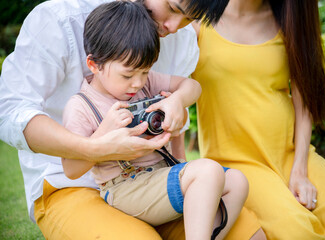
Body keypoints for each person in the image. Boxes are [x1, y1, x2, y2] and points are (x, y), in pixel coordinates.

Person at [0, 0, 266, 239]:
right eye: (173, 8)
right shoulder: (61, 19)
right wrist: (96, 148)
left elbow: (179, 107)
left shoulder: (178, 42)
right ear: (94, 65)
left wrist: (177, 109)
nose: (173, 27)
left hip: (159, 177)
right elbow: (10, 109)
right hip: (73, 184)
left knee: (253, 234)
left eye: (188, 19)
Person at [61, 2, 249, 239]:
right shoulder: (81, 106)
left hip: (162, 174)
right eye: (128, 75)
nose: (138, 83)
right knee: (208, 171)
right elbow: (70, 169)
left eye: (145, 71)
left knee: (237, 181)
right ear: (94, 64)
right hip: (125, 187)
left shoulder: (144, 83)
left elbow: (192, 86)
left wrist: (177, 101)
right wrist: (101, 136)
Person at [191, 0, 325, 239]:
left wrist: (300, 170)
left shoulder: (289, 20)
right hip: (238, 166)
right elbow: (172, 91)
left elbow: (304, 104)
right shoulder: (198, 20)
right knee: (297, 233)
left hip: (291, 155)